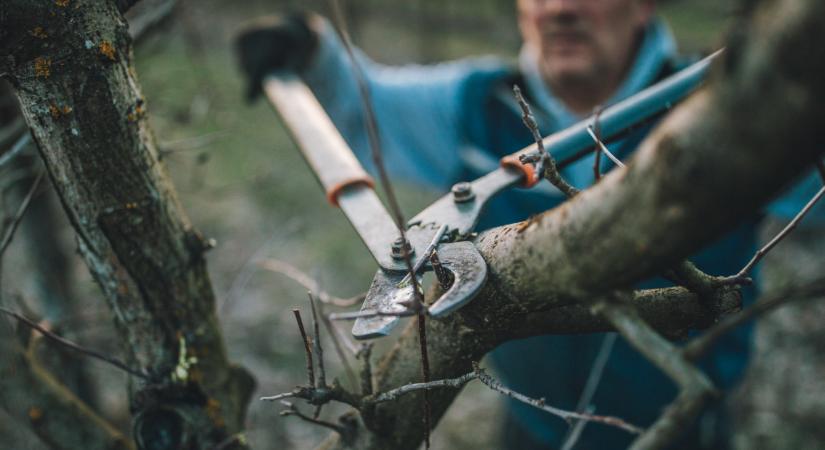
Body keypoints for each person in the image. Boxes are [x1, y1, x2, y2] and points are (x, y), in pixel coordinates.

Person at [236, 1, 818, 448]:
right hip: (528, 431)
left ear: (643, 3)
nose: (557, 8)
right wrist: (310, 50)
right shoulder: (475, 103)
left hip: (689, 430)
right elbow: (361, 102)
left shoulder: (736, 111)